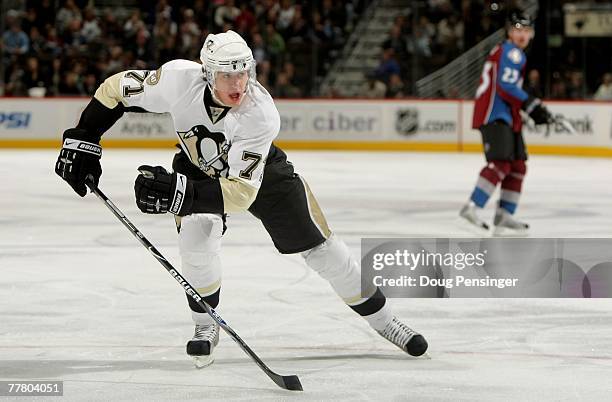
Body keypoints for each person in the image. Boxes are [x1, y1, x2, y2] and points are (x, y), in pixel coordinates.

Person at [54, 30, 428, 367]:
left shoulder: (260, 115)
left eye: (243, 72)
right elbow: (114, 89)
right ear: (206, 73)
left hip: (261, 176)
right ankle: (205, 325)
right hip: (199, 166)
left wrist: (179, 193)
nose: (237, 83)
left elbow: (240, 193)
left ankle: (384, 321)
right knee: (196, 241)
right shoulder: (176, 80)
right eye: (226, 74)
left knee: (323, 250)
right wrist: (85, 136)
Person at [460, 13, 553, 236]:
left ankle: (504, 214)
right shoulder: (512, 52)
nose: (522, 34)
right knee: (501, 163)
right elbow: (506, 86)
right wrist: (531, 105)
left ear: (531, 34)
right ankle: (472, 206)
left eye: (526, 30)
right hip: (495, 114)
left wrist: (529, 107)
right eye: (518, 29)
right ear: (510, 32)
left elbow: (509, 87)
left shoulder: (509, 52)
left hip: (507, 116)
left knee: (518, 164)